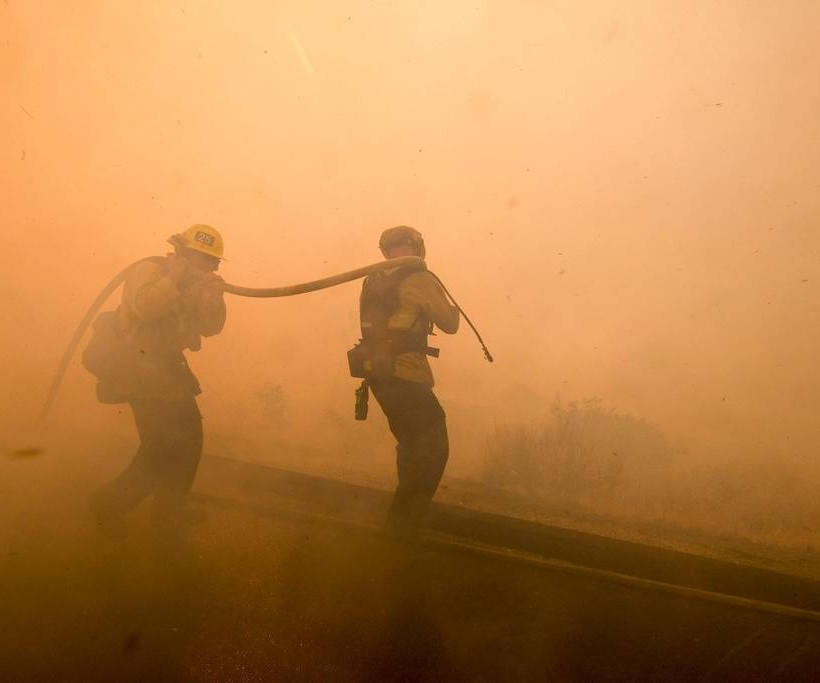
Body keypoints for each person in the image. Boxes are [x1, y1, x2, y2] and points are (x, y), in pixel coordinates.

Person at [89, 224, 227, 543]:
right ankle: (110, 506)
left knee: (188, 446)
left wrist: (213, 299)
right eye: (205, 261)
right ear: (183, 255)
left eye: (214, 263)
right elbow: (145, 309)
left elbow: (210, 328)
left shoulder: (194, 284)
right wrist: (174, 278)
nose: (210, 268)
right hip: (140, 374)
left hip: (169, 374)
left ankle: (169, 512)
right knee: (158, 453)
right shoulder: (150, 270)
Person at [352, 225, 459, 537]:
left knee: (412, 445)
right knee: (432, 444)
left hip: (378, 375)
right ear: (418, 247)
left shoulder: (372, 280)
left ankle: (400, 523)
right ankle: (402, 526)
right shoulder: (419, 278)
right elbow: (450, 323)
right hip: (406, 373)